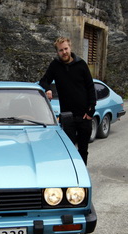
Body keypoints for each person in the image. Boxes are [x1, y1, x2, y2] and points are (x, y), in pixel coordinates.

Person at [39, 37, 96, 165]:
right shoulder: (55, 65)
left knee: (83, 149)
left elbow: (91, 87)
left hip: (84, 115)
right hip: (67, 116)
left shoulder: (81, 64)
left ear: (70, 48)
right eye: (61, 50)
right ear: (57, 52)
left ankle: (81, 176)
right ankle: (70, 176)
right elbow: (44, 80)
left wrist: (91, 111)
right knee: (68, 149)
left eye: (66, 49)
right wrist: (47, 89)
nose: (64, 52)